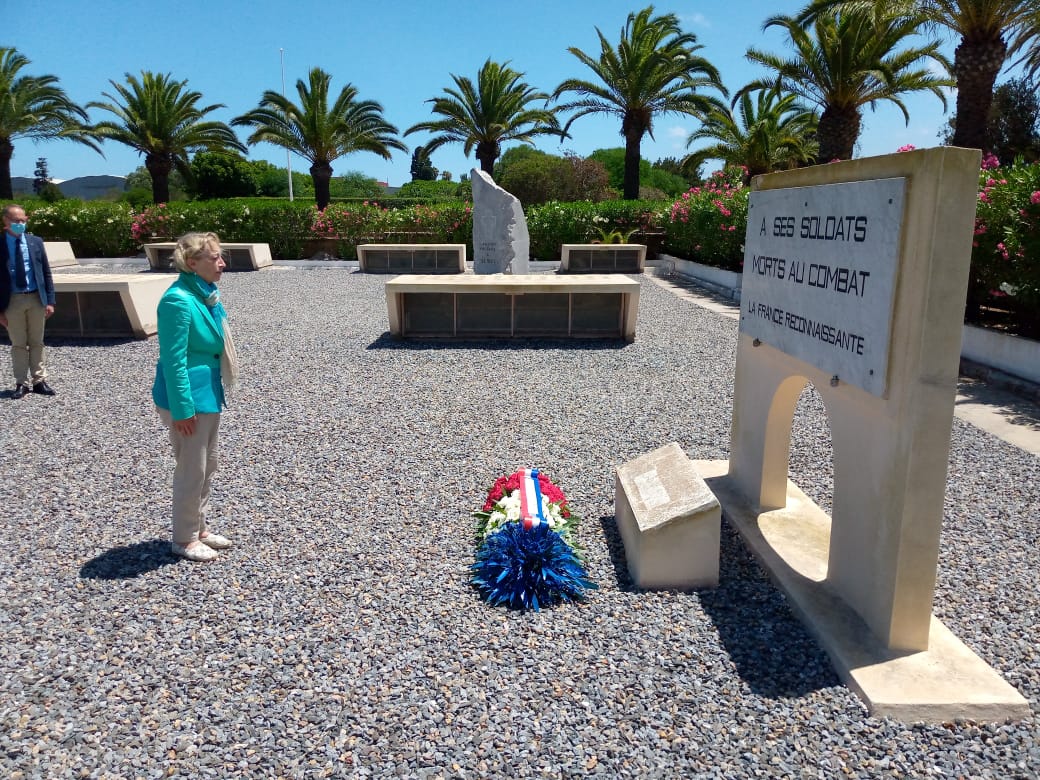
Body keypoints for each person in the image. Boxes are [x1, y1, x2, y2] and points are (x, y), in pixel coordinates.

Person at [153, 232, 238, 562]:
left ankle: (199, 528)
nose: (222, 263)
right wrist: (182, 409)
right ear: (192, 263)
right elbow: (173, 359)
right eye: (214, 258)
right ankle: (184, 537)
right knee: (192, 468)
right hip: (188, 399)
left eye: (220, 256)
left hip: (208, 394)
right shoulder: (178, 300)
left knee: (207, 465)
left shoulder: (205, 294)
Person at [0, 204, 56, 398]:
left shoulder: (35, 242)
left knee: (37, 342)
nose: (21, 224)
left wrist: (50, 301)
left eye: (23, 220)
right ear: (5, 221)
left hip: (35, 298)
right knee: (18, 344)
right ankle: (21, 383)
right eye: (16, 221)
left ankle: (39, 380)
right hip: (12, 301)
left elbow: (46, 273)